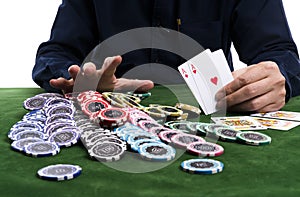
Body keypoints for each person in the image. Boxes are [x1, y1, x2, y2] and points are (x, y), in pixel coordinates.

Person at [33, 0, 300, 113]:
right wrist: (79, 79)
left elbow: (280, 54)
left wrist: (280, 77)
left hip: (213, 118)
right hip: (112, 117)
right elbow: (55, 53)